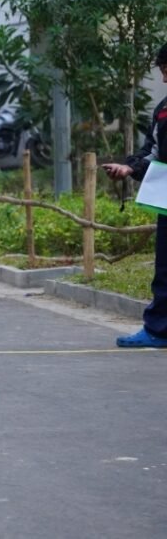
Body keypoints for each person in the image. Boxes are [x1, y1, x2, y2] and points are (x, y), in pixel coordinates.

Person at [102, 43, 167, 348]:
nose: (164, 79)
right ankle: (157, 331)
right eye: (162, 72)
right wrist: (128, 167)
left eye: (166, 70)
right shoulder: (163, 109)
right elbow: (151, 151)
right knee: (165, 268)